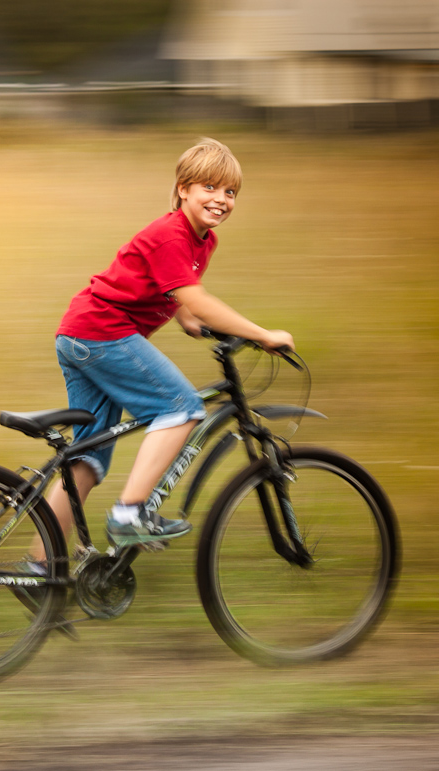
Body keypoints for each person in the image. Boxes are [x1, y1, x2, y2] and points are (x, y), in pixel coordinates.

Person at [34, 138, 294, 558]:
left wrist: (187, 318)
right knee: (181, 408)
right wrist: (262, 334)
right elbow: (197, 297)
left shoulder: (202, 241)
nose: (221, 199)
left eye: (230, 192)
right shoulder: (171, 235)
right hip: (102, 334)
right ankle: (128, 515)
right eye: (209, 187)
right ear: (183, 189)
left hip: (82, 335)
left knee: (87, 461)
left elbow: (172, 290)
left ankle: (40, 566)